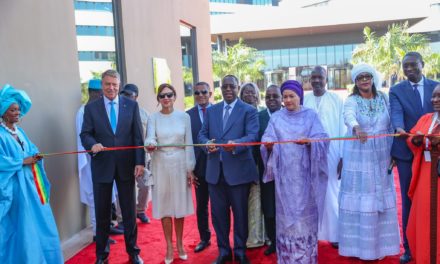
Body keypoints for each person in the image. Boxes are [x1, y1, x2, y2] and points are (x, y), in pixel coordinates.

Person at [80, 69, 145, 264]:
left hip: (126, 166)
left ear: (119, 86)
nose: (111, 88)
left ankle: (133, 253)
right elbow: (85, 134)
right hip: (102, 166)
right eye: (108, 84)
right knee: (102, 214)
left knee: (129, 212)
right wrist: (92, 144)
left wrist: (140, 161)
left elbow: (137, 137)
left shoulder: (131, 106)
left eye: (115, 85)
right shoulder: (91, 108)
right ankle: (102, 256)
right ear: (102, 85)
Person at [261, 80, 329, 263]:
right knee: (286, 223)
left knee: (304, 222)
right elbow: (267, 137)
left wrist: (310, 142)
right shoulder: (276, 118)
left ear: (300, 96)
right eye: (285, 97)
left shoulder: (311, 116)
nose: (288, 100)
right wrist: (267, 145)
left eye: (292, 96)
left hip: (307, 179)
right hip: (285, 181)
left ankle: (306, 259)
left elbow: (323, 138)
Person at [338, 64, 400, 260]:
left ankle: (380, 249)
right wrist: (356, 128)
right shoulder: (352, 100)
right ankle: (358, 249)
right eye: (360, 78)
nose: (364, 80)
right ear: (355, 82)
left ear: (373, 78)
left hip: (382, 155)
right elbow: (348, 116)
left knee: (379, 198)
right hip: (359, 157)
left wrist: (394, 151)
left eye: (367, 76)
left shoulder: (383, 97)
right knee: (362, 198)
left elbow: (391, 123)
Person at [198, 75, 259, 264]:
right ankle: (224, 251)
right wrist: (206, 143)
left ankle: (240, 251)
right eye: (224, 87)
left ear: (237, 87)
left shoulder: (248, 110)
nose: (228, 90)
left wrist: (237, 144)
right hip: (215, 173)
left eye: (231, 86)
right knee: (219, 216)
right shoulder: (212, 110)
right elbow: (201, 134)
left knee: (240, 215)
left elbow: (252, 135)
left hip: (238, 172)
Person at [0, 84, 63, 263]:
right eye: (12, 110)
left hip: (31, 189)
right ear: (3, 112)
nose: (17, 113)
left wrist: (36, 155)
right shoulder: (1, 135)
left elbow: (31, 149)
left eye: (18, 109)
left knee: (40, 225)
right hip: (14, 191)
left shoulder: (20, 132)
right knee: (22, 229)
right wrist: (21, 161)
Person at [389, 51, 439, 264]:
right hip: (406, 152)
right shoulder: (396, 90)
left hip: (435, 155)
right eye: (405, 66)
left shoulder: (435, 86)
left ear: (422, 64)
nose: (409, 69)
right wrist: (402, 130)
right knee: (410, 200)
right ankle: (410, 248)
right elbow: (396, 115)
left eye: (413, 65)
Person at [145, 83, 195, 264]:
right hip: (161, 164)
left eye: (169, 95)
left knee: (179, 206)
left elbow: (189, 143)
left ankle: (180, 244)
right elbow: (150, 137)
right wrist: (150, 143)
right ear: (158, 99)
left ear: (175, 96)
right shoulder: (153, 118)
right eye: (162, 96)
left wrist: (190, 169)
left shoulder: (185, 117)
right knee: (165, 205)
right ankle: (168, 246)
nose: (166, 98)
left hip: (180, 163)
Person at [303, 66, 345, 248]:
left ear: (326, 79)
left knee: (331, 193)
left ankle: (335, 234)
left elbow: (344, 130)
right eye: (313, 77)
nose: (317, 81)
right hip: (308, 153)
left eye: (320, 77)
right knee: (309, 194)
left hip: (332, 153)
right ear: (309, 80)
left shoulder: (336, 99)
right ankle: (313, 234)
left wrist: (343, 156)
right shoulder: (304, 100)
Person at [75, 79, 121, 244]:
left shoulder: (100, 109)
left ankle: (107, 226)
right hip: (91, 161)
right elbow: (86, 138)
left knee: (107, 197)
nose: (104, 96)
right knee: (96, 198)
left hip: (105, 160)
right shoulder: (83, 112)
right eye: (100, 93)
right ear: (92, 93)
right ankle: (97, 233)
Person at [406, 84, 440, 263]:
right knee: (422, 218)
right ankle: (425, 258)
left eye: (439, 97)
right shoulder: (426, 118)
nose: (435, 100)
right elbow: (411, 138)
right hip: (426, 175)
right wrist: (417, 139)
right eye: (434, 96)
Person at [117, 83, 152, 225]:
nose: (126, 97)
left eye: (129, 95)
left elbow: (149, 135)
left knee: (144, 185)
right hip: (123, 157)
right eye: (123, 95)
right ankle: (121, 218)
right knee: (123, 188)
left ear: (136, 97)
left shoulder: (144, 114)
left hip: (141, 157)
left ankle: (140, 210)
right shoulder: (116, 111)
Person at [186, 81, 213, 253]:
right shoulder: (187, 116)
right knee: (201, 205)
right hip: (199, 167)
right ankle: (205, 238)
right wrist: (189, 168)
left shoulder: (219, 111)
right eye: (197, 93)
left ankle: (224, 240)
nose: (201, 95)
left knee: (220, 206)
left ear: (210, 94)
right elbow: (186, 143)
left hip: (218, 166)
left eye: (204, 92)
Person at [257, 84, 282, 256]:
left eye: (275, 96)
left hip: (287, 172)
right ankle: (273, 241)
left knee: (285, 207)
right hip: (265, 171)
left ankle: (285, 240)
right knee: (269, 208)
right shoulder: (258, 117)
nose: (271, 99)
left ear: (281, 99)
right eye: (268, 97)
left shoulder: (288, 115)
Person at [239, 82, 265, 249]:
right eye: (246, 93)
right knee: (246, 202)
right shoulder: (239, 113)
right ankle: (251, 237)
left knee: (263, 202)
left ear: (257, 94)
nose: (250, 95)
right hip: (242, 165)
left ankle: (263, 235)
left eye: (253, 92)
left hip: (263, 164)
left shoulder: (263, 113)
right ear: (241, 96)